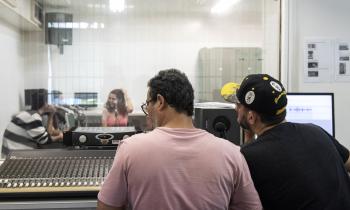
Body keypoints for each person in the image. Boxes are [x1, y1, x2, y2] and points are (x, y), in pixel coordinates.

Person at [97, 69, 262, 210]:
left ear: (160, 102)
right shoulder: (232, 154)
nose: (147, 110)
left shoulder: (130, 149)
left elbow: (106, 207)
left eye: (148, 103)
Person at [221, 73, 350, 210]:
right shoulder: (316, 131)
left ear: (251, 117)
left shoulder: (248, 157)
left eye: (238, 105)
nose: (236, 109)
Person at [1, 90, 63, 158]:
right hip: (14, 157)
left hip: (12, 153)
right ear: (46, 105)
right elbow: (44, 140)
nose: (53, 105)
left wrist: (52, 114)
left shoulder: (29, 114)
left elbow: (46, 134)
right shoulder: (33, 117)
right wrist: (60, 136)